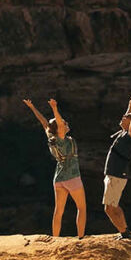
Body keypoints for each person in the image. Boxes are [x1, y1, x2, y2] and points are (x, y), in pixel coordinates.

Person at [23, 97, 87, 239]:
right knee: (81, 208)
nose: (65, 123)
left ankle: (56, 238)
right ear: (60, 128)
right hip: (72, 177)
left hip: (59, 178)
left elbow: (44, 122)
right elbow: (56, 122)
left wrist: (32, 108)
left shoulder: (51, 136)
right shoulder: (61, 138)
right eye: (63, 123)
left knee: (58, 211)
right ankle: (81, 237)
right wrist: (54, 108)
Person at [103, 90, 131, 240]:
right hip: (113, 174)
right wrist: (130, 104)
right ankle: (124, 232)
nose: (123, 117)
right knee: (110, 206)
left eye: (127, 117)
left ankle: (125, 233)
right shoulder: (124, 133)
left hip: (117, 174)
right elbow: (128, 118)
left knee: (110, 207)